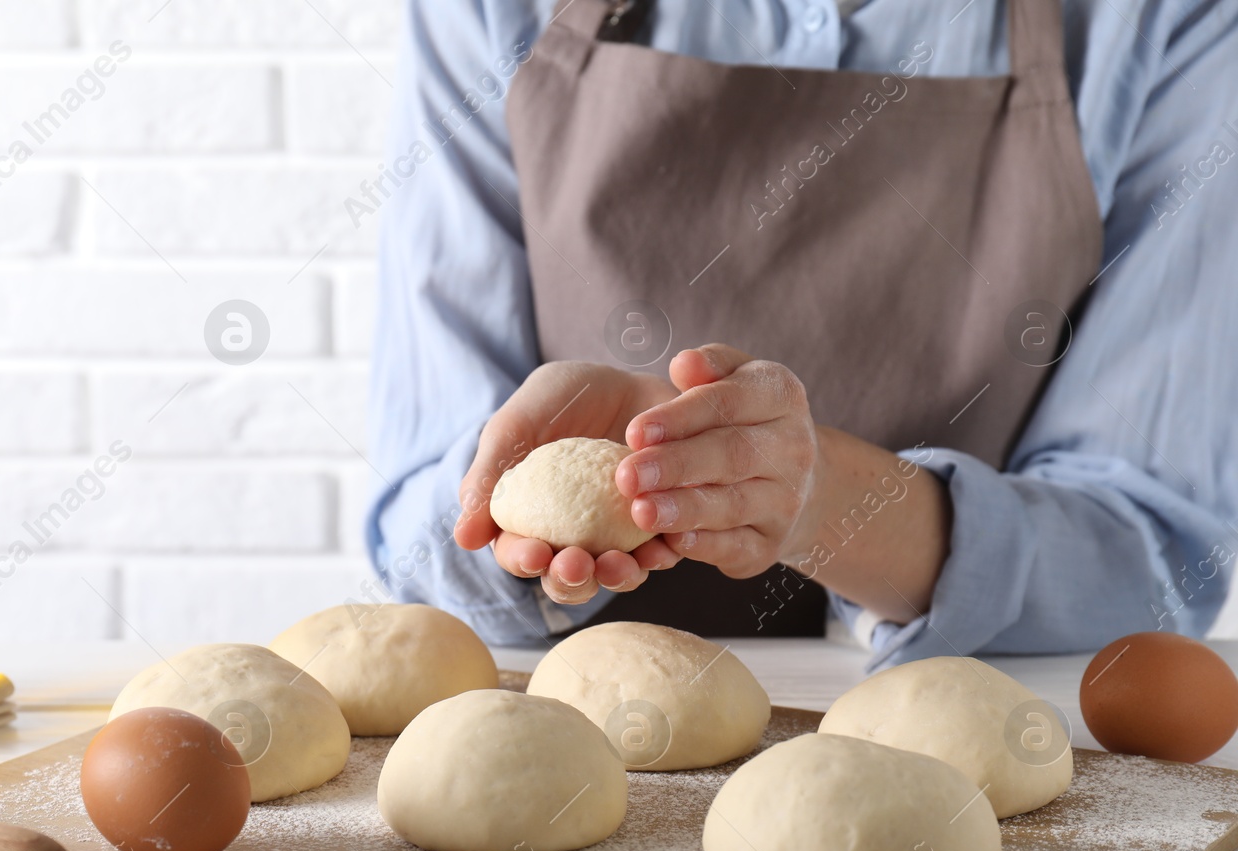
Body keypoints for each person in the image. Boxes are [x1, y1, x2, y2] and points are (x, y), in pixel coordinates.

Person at [365, 0, 1238, 667]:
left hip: (948, 740)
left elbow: (1151, 557)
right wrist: (535, 508)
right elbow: (418, 533)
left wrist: (818, 499)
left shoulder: (1161, 20)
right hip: (570, 724)